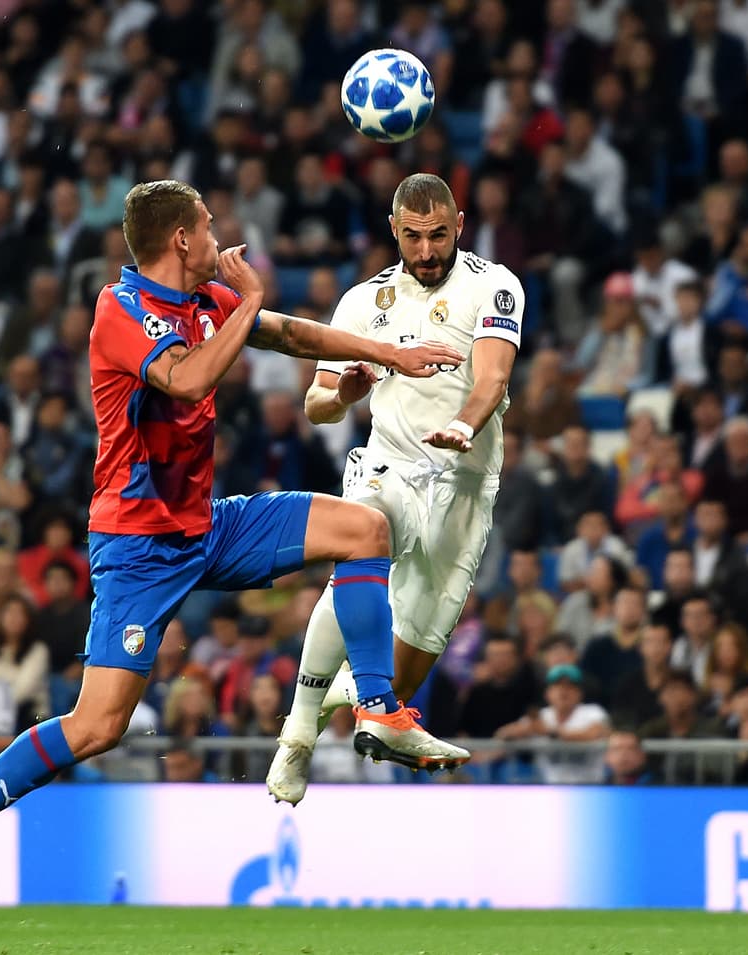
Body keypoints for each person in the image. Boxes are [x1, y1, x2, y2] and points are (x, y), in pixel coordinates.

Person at [0, 179, 468, 912]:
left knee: (365, 528)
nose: (220, 232)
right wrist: (248, 299)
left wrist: (388, 353)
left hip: (206, 523)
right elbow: (187, 381)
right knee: (97, 726)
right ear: (181, 239)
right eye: (209, 223)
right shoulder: (119, 311)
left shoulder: (205, 302)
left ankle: (378, 706)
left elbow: (288, 334)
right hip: (138, 546)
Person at [262, 173, 523, 803]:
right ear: (394, 232)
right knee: (359, 546)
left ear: (459, 226)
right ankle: (297, 735)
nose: (427, 251)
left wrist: (464, 423)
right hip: (388, 466)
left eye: (438, 235)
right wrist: (343, 393)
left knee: (397, 682)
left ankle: (354, 705)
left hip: (462, 484)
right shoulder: (361, 302)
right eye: (414, 237)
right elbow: (317, 404)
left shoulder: (494, 285)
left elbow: (491, 376)